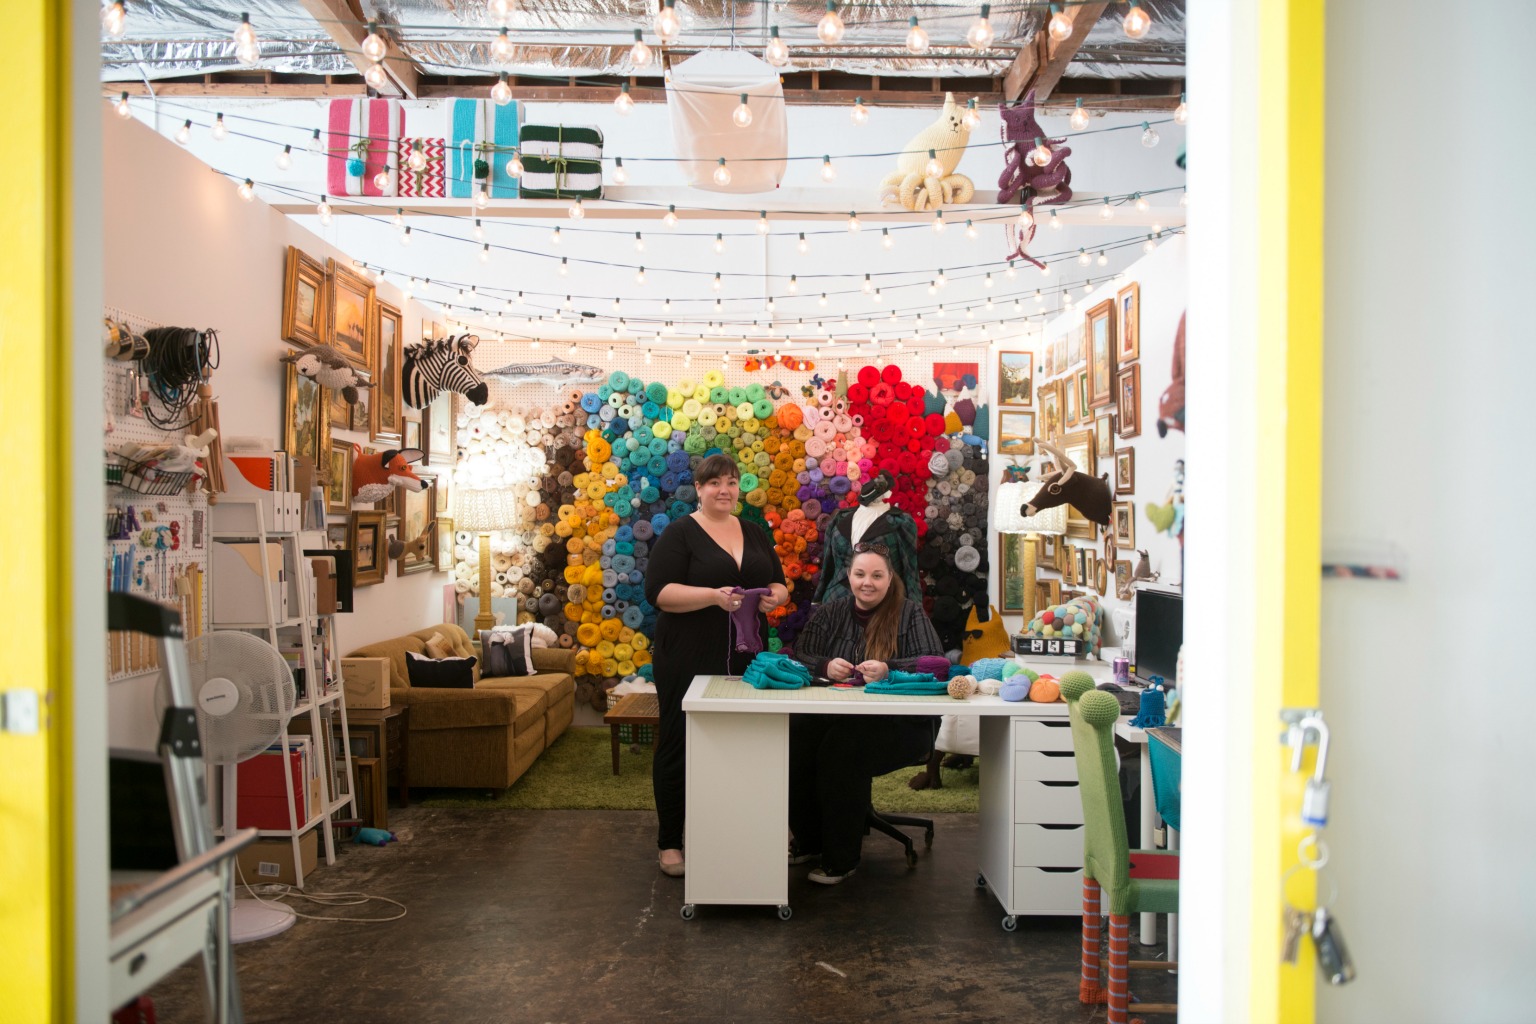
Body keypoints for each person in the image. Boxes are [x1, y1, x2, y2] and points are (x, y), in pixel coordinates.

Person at [644, 452, 789, 878]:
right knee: (679, 742)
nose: (723, 490)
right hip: (688, 653)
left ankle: (736, 830)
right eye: (714, 483)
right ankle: (670, 841)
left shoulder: (754, 531)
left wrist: (776, 597)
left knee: (741, 741)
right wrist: (711, 596)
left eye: (731, 482)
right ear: (700, 488)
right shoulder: (680, 533)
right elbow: (659, 592)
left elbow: (779, 582)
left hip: (745, 653)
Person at [788, 543, 944, 884]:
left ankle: (841, 859)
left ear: (890, 578)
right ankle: (810, 841)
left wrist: (890, 669)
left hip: (902, 726)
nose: (867, 583)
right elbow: (800, 653)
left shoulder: (910, 613)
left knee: (842, 750)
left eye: (877, 575)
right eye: (860, 574)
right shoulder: (830, 612)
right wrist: (826, 665)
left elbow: (937, 663)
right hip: (835, 718)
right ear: (848, 576)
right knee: (795, 737)